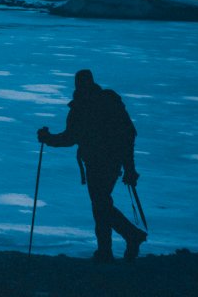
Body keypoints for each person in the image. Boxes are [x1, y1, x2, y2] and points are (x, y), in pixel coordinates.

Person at [37, 69, 147, 262]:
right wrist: (129, 167)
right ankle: (108, 249)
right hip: (112, 162)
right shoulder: (109, 102)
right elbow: (128, 135)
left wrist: (47, 139)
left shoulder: (81, 107)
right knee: (101, 204)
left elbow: (70, 138)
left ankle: (127, 238)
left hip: (98, 163)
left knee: (101, 204)